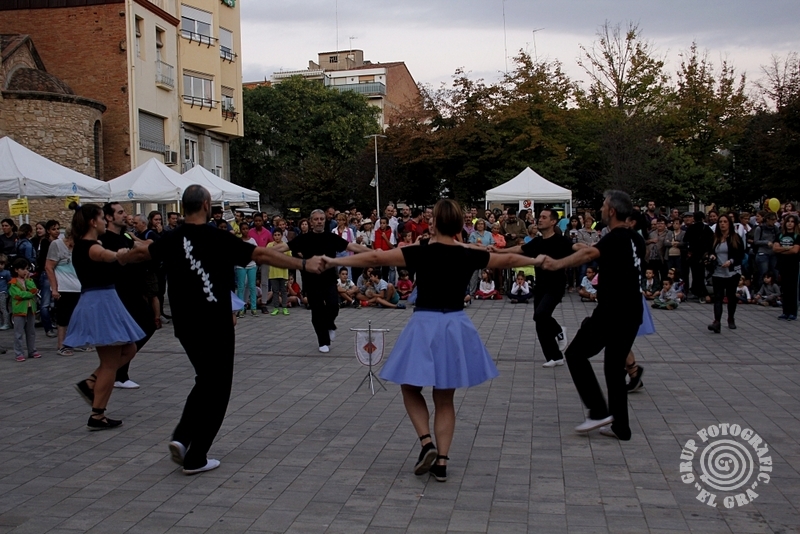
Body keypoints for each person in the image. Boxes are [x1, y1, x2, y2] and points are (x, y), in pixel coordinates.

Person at [322, 199, 539, 482]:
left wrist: (334, 261)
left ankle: (427, 443)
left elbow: (375, 258)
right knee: (445, 397)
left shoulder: (420, 251)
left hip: (425, 323)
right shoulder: (467, 253)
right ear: (459, 223)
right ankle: (443, 462)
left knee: (410, 387)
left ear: (434, 222)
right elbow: (508, 260)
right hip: (455, 324)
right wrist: (539, 261)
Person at [123, 185, 323, 475]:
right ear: (206, 205)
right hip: (214, 324)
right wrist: (302, 263)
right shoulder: (218, 238)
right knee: (218, 388)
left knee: (205, 380)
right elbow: (261, 255)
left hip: (186, 325)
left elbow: (143, 253)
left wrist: (116, 257)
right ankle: (196, 456)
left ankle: (182, 437)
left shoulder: (171, 238)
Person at [540, 190, 646, 441]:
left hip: (612, 312)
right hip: (632, 311)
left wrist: (556, 264)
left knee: (575, 354)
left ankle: (598, 412)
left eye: (603, 205)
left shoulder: (616, 237)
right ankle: (621, 427)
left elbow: (590, 254)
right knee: (613, 367)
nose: (600, 209)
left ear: (612, 211)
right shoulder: (635, 238)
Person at [66, 204, 145, 431]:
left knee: (129, 349)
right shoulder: (90, 247)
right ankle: (97, 414)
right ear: (93, 222)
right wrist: (120, 255)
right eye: (101, 218)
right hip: (100, 303)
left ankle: (92, 382)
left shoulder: (89, 244)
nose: (104, 221)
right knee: (110, 364)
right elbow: (105, 256)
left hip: (104, 299)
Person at [273, 209, 370, 353]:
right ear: (311, 222)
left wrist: (373, 252)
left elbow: (351, 246)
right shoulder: (304, 238)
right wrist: (262, 252)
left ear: (325, 221)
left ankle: (330, 325)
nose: (319, 221)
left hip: (329, 278)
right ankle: (323, 341)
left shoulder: (331, 237)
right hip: (311, 280)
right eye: (316, 219)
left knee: (333, 305)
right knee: (317, 310)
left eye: (321, 219)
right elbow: (285, 246)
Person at [491, 208, 575, 368]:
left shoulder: (561, 241)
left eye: (544, 217)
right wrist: (499, 251)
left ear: (553, 221)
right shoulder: (537, 242)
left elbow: (576, 248)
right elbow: (520, 249)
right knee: (539, 320)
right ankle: (555, 356)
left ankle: (558, 330)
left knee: (541, 314)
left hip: (556, 286)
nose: (539, 220)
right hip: (541, 286)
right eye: (539, 217)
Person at [99, 202, 158, 390]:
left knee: (144, 326)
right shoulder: (105, 239)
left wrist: (136, 239)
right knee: (141, 326)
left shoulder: (124, 235)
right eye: (120, 212)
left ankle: (118, 373)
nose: (125, 215)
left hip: (133, 290)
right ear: (109, 217)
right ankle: (115, 373)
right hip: (118, 292)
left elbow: (146, 246)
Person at [45, 230, 82, 356]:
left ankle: (75, 342)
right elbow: (49, 267)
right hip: (64, 287)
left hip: (78, 286)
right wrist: (54, 288)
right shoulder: (56, 245)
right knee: (63, 317)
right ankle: (61, 345)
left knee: (76, 316)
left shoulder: (77, 247)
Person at [706, 214, 744, 333]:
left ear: (729, 224)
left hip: (732, 272)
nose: (722, 224)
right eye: (720, 222)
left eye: (725, 222)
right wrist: (711, 256)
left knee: (731, 296)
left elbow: (740, 254)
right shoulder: (714, 238)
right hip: (718, 272)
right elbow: (710, 251)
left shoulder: (735, 238)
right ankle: (717, 322)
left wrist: (731, 261)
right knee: (718, 297)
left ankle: (731, 318)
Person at [9, 258, 40, 362]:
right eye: (23, 269)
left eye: (27, 269)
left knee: (31, 332)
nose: (25, 271)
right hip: (19, 310)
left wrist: (28, 281)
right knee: (18, 333)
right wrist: (30, 294)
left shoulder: (29, 281)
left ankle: (32, 350)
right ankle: (19, 353)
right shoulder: (13, 282)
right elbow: (18, 295)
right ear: (16, 270)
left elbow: (34, 290)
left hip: (30, 309)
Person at [774, 214, 800, 320]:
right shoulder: (780, 235)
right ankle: (785, 312)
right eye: (788, 221)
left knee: (793, 289)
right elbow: (775, 249)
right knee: (784, 289)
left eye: (792, 221)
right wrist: (788, 248)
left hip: (794, 265)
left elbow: (795, 250)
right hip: (782, 265)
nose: (789, 223)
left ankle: (793, 312)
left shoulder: (797, 236)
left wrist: (782, 249)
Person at [685, 211, 714, 302]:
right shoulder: (706, 228)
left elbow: (685, 239)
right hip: (703, 254)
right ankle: (699, 291)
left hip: (693, 254)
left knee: (695, 274)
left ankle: (699, 292)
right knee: (701, 274)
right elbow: (712, 239)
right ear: (703, 218)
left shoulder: (691, 228)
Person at [235, 222, 258, 318]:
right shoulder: (238, 241)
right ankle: (240, 309)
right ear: (240, 230)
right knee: (241, 287)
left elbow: (256, 252)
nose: (245, 230)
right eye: (243, 229)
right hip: (241, 266)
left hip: (252, 265)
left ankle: (253, 308)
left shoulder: (252, 240)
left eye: (247, 228)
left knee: (252, 286)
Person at [267, 229, 291, 315]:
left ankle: (284, 307)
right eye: (275, 235)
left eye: (278, 235)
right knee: (275, 291)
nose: (277, 237)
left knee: (284, 291)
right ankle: (276, 307)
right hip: (273, 272)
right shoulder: (269, 245)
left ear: (281, 235)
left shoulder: (285, 245)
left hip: (283, 272)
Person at [0, 255, 10, 330]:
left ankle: (6, 323)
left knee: (3, 308)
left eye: (2, 264)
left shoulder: (6, 273)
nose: (0, 266)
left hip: (3, 292)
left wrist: (7, 291)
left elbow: (9, 282)